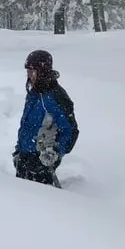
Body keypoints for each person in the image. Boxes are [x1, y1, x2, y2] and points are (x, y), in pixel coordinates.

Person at [12, 49, 78, 187]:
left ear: (42, 71)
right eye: (28, 71)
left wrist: (55, 152)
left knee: (39, 203)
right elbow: (27, 124)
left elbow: (70, 131)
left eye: (32, 71)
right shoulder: (34, 92)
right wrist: (19, 149)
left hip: (41, 162)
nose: (29, 75)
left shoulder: (55, 96)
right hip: (24, 158)